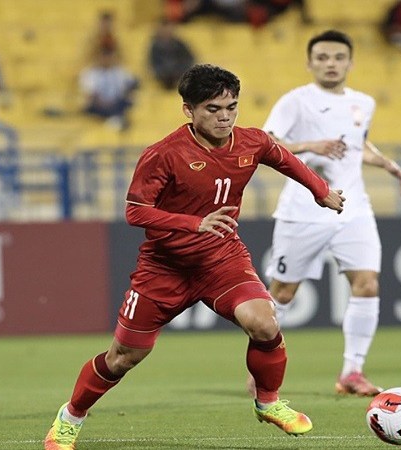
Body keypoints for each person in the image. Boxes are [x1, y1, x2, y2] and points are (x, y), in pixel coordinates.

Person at [43, 63, 346, 450]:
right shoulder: (163, 154)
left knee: (265, 323)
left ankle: (269, 402)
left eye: (231, 108)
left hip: (222, 259)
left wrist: (320, 190)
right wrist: (193, 223)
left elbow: (284, 158)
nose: (224, 118)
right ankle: (70, 418)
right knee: (122, 358)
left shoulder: (252, 142)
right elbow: (136, 212)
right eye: (213, 109)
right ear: (189, 110)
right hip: (164, 268)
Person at [258, 30, 401, 397]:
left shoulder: (364, 103)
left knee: (367, 283)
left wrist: (387, 164)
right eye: (323, 57)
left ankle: (352, 372)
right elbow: (266, 143)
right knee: (283, 293)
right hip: (304, 209)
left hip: (353, 208)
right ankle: (259, 368)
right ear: (309, 63)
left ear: (350, 62)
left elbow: (357, 145)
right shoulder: (295, 101)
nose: (331, 64)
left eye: (338, 57)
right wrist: (310, 145)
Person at [79, 47, 139, 131]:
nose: (107, 59)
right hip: (99, 105)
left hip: (116, 103)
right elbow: (90, 94)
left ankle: (114, 120)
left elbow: (133, 83)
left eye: (109, 56)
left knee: (129, 101)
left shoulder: (120, 72)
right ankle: (115, 120)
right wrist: (104, 104)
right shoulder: (90, 73)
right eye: (104, 56)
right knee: (90, 107)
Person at [148, 19, 195, 90]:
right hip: (162, 79)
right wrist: (163, 74)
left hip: (179, 76)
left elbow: (189, 59)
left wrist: (180, 72)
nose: (167, 32)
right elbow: (153, 64)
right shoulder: (155, 46)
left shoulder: (179, 44)